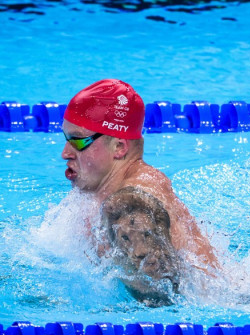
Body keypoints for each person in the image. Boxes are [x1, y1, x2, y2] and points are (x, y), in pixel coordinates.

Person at [61, 79, 219, 275]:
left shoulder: (133, 204)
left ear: (119, 147)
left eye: (78, 141)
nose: (65, 153)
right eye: (67, 139)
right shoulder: (102, 192)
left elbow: (162, 295)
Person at [102, 186, 182, 307]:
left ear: (160, 233)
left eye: (147, 234)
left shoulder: (183, 267)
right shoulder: (112, 270)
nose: (139, 251)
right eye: (125, 238)